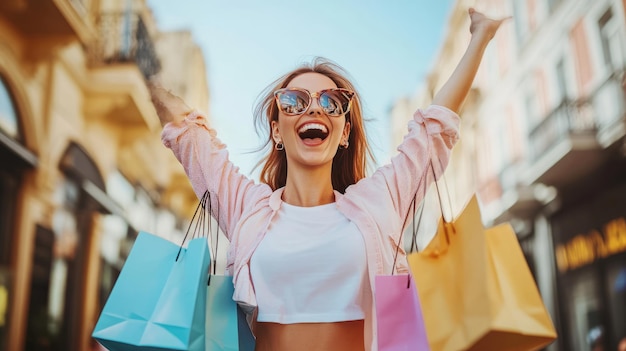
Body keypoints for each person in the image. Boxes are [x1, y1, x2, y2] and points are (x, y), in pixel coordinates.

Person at [150, 8, 509, 351]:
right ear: (277, 130)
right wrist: (142, 74)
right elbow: (187, 133)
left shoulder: (378, 202)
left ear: (344, 133)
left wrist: (480, 36)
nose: (314, 107)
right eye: (293, 101)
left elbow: (432, 129)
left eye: (333, 101)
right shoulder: (246, 207)